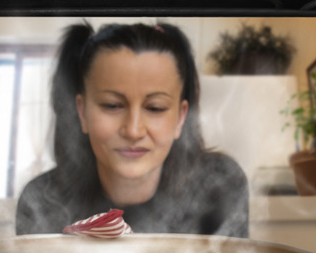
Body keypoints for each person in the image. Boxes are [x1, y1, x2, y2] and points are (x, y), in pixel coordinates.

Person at [16, 22, 249, 237]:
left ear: (180, 117)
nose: (134, 130)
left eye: (155, 108)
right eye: (112, 105)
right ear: (82, 112)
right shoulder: (42, 200)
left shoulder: (220, 186)